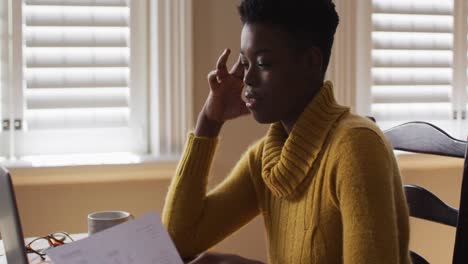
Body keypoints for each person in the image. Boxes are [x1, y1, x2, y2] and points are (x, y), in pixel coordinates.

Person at [162, 0, 411, 263]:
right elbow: (177, 240)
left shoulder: (355, 146)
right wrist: (209, 120)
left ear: (311, 62)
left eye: (264, 63)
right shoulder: (268, 159)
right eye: (246, 64)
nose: (247, 80)